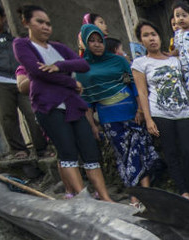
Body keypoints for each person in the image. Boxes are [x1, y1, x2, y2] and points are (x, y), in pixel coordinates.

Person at [13, 5, 113, 202]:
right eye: (39, 22)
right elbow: (36, 72)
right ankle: (83, 198)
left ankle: (105, 197)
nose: (45, 27)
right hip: (48, 105)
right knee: (67, 151)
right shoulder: (22, 45)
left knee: (90, 151)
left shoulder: (58, 48)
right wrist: (71, 82)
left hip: (72, 105)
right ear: (26, 23)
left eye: (48, 23)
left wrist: (58, 66)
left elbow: (82, 64)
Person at [76, 25, 159, 210]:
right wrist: (92, 126)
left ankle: (147, 194)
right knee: (124, 156)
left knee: (140, 148)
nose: (97, 45)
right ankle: (134, 197)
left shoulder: (119, 61)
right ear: (86, 43)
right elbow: (87, 102)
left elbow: (135, 86)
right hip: (109, 118)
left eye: (100, 41)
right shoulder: (83, 69)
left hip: (131, 112)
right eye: (92, 41)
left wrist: (140, 109)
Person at [132, 20, 189, 202]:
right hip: (160, 112)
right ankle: (183, 192)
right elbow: (142, 92)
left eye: (153, 34)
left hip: (183, 111)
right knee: (171, 153)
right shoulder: (140, 63)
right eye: (146, 36)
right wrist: (148, 119)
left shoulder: (174, 60)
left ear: (159, 36)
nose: (151, 39)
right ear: (141, 41)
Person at [0, 0, 48, 159]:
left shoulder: (12, 39)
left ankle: (42, 148)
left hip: (20, 81)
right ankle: (19, 150)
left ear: (3, 17)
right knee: (8, 117)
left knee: (33, 113)